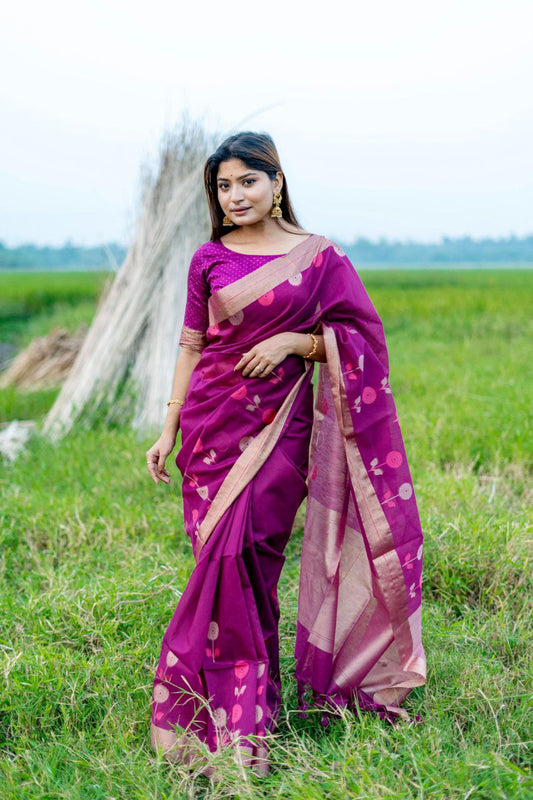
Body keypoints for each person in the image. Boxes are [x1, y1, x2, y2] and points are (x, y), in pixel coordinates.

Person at [146, 131, 426, 775]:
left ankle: (237, 722)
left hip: (282, 430)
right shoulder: (207, 258)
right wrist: (169, 431)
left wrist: (296, 342)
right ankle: (239, 711)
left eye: (248, 180)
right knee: (221, 568)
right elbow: (191, 346)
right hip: (211, 428)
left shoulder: (319, 257)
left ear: (276, 183)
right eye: (223, 186)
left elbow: (363, 342)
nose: (235, 195)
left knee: (250, 558)